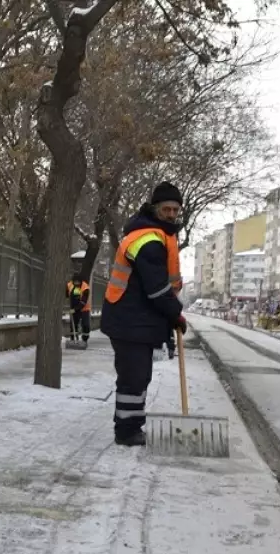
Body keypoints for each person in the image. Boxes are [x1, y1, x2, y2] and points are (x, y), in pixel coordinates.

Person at [100, 181, 187, 447]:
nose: (172, 214)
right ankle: (126, 431)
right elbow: (157, 288)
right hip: (128, 320)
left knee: (139, 377)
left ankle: (131, 426)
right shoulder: (147, 240)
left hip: (137, 321)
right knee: (133, 376)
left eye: (176, 210)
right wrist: (176, 314)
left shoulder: (159, 235)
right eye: (167, 209)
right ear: (155, 208)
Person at [66, 275, 92, 343]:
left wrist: (75, 309)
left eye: (78, 282)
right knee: (73, 325)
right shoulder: (70, 285)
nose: (77, 283)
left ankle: (85, 339)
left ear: (81, 281)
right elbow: (66, 294)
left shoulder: (85, 288)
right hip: (73, 308)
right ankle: (74, 339)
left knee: (85, 325)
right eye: (75, 282)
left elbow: (83, 302)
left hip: (84, 309)